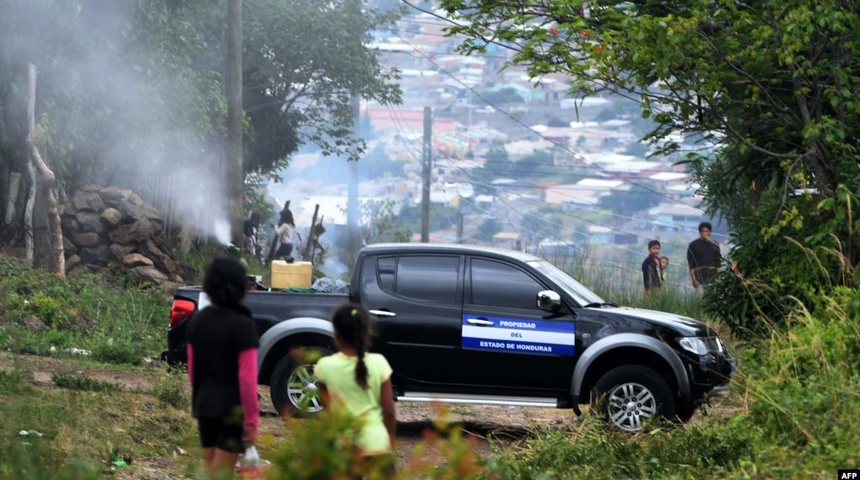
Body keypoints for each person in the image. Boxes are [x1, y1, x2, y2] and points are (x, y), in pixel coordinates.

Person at [185, 256, 259, 475]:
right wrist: (251, 421)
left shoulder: (197, 320)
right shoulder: (243, 326)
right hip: (231, 411)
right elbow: (247, 380)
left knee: (211, 473)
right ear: (240, 286)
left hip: (204, 406)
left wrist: (202, 397)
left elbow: (192, 371)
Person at [314, 304, 397, 478]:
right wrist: (390, 440)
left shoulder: (325, 367)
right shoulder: (379, 362)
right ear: (366, 332)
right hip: (377, 443)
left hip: (343, 447)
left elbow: (327, 409)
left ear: (336, 333)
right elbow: (388, 410)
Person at [686, 221, 722, 290]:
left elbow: (718, 264)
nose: (705, 233)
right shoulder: (693, 245)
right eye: (703, 231)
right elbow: (691, 265)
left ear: (710, 232)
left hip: (712, 276)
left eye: (707, 231)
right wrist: (694, 280)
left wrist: (719, 279)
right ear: (700, 232)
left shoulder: (715, 245)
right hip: (699, 277)